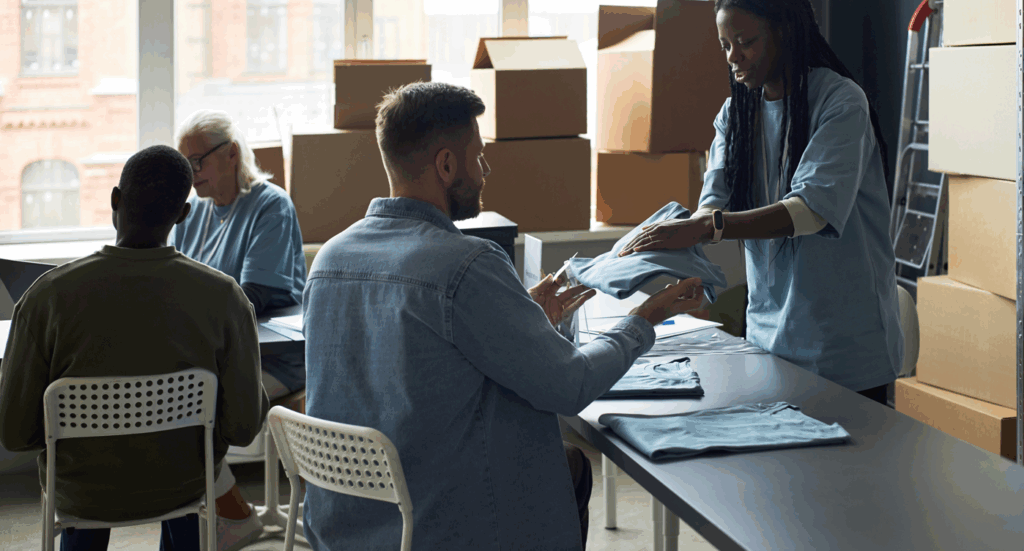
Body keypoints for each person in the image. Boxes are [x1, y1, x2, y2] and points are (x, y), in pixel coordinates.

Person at [302, 81, 704, 551]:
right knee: (566, 464)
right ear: (446, 165)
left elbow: (417, 357)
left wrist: (520, 312)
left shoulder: (329, 258)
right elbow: (570, 385)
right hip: (445, 524)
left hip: (348, 524)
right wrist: (642, 319)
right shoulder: (467, 262)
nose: (486, 170)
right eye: (479, 156)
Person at [620, 0, 903, 405]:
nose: (734, 57)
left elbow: (810, 212)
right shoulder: (735, 115)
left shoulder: (840, 101)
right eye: (725, 46)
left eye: (746, 43)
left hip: (846, 349)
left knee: (848, 472)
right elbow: (710, 207)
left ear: (785, 33)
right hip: (769, 340)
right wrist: (660, 254)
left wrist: (707, 228)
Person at [0, 145, 268, 551]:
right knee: (186, 495)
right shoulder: (224, 297)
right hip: (182, 486)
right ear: (183, 214)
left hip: (84, 490)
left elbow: (14, 431)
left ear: (115, 199)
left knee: (83, 498)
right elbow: (245, 427)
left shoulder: (47, 298)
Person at [172, 109, 307, 549]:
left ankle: (233, 513)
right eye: (184, 164)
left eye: (198, 162)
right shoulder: (192, 214)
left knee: (184, 411)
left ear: (231, 154)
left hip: (269, 357)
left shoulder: (270, 205)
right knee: (161, 404)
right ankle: (228, 512)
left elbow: (250, 301)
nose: (191, 174)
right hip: (208, 354)